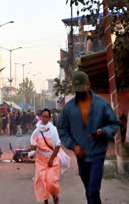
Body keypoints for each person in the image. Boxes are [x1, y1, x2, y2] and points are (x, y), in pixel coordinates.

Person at [57, 71, 120, 204]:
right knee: (89, 190)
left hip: (97, 154)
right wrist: (74, 146)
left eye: (81, 89)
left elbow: (113, 123)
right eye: (76, 90)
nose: (78, 93)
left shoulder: (101, 104)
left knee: (92, 190)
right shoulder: (68, 108)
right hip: (81, 155)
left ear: (88, 85)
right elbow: (62, 130)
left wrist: (102, 131)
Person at [30, 108, 69, 204]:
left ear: (49, 118)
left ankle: (55, 195)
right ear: (40, 117)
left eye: (46, 117)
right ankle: (45, 200)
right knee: (42, 181)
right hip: (40, 161)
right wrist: (31, 149)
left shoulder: (53, 130)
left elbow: (57, 145)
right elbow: (33, 145)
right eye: (43, 116)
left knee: (51, 182)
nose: (44, 118)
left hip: (52, 160)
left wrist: (51, 159)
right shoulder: (36, 131)